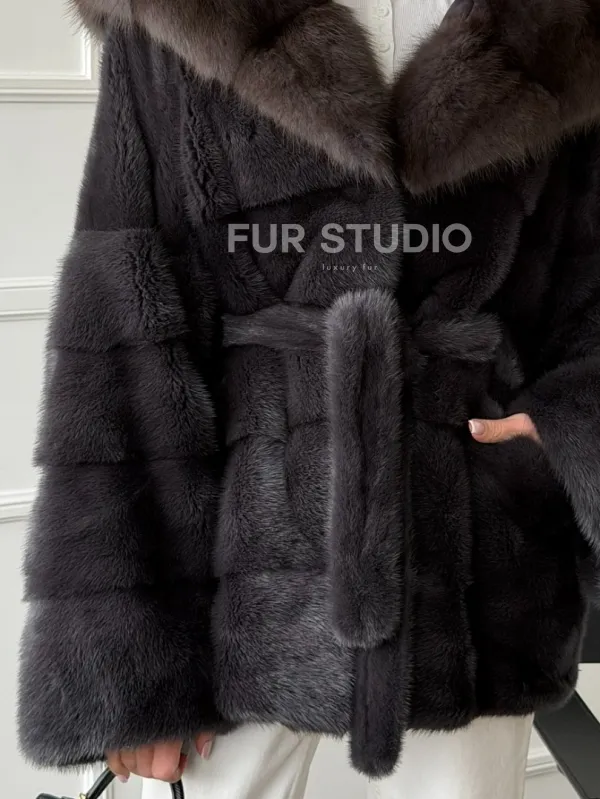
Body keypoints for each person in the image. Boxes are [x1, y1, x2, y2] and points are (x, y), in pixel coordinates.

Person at [17, 0, 600, 797]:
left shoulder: (567, 19)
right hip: (234, 587)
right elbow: (129, 324)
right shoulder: (179, 15)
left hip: (479, 572)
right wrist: (130, 668)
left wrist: (561, 432)